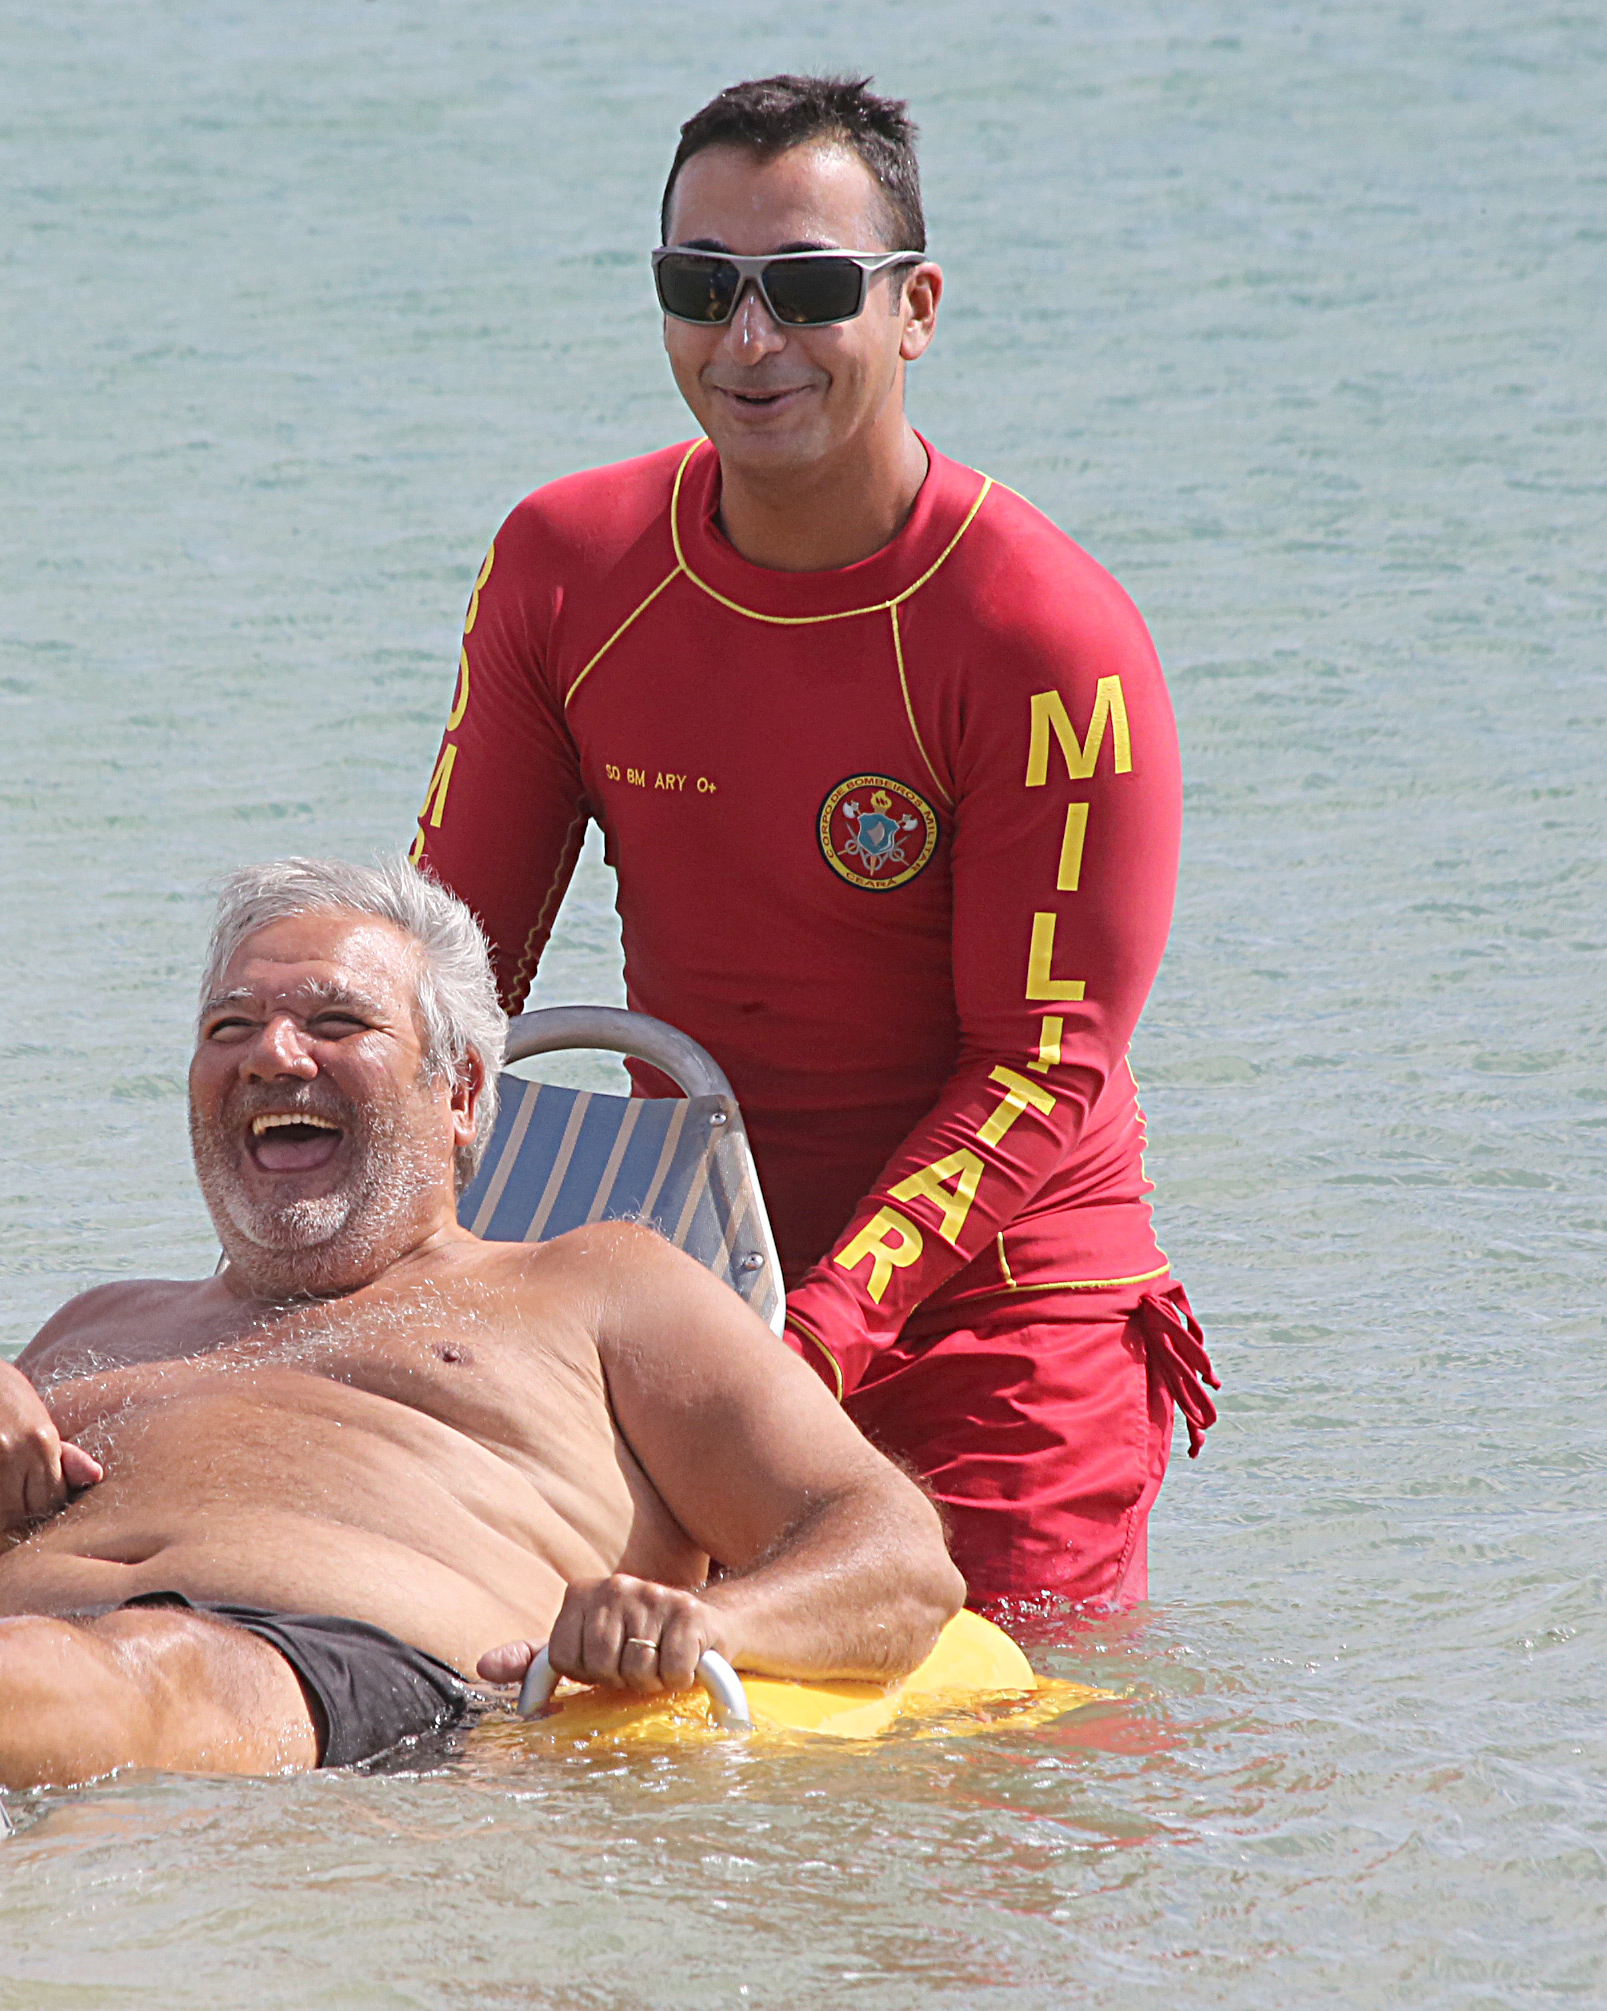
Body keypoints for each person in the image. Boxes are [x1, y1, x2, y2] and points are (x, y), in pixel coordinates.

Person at [406, 76, 1218, 1613]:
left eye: (806, 289)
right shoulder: (565, 569)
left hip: (1000, 1317)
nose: (748, 340)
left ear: (914, 309)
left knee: (1003, 1785)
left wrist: (811, 1345)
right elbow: (449, 983)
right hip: (699, 1292)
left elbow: (1042, 1063)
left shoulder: (1040, 636)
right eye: (700, 288)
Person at [0, 859, 962, 1786]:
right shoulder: (106, 1320)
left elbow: (893, 1550)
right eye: (231, 1026)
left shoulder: (601, 1282)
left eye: (334, 1022)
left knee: (154, 1663)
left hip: (329, 1673)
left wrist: (708, 1631)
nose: (273, 1056)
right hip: (10, 1656)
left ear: (460, 1094)